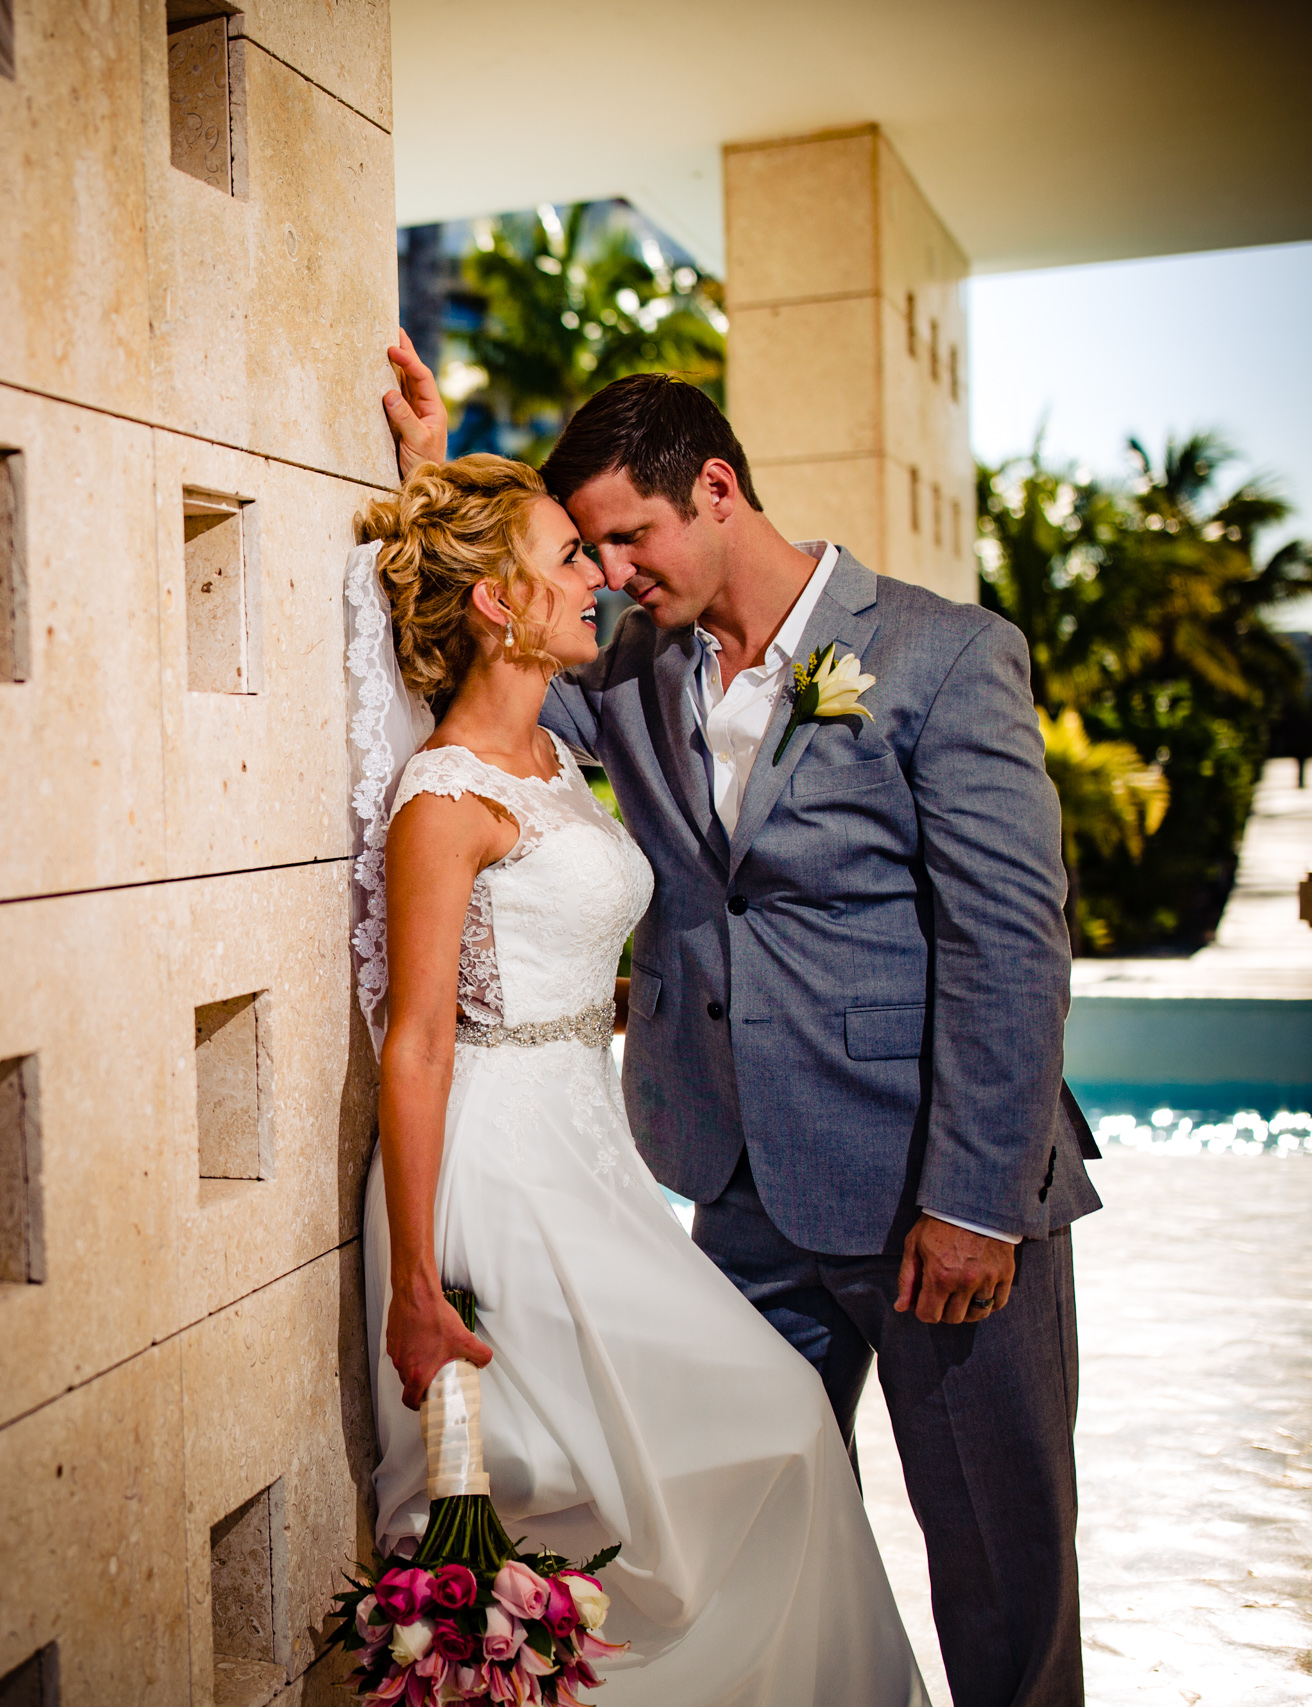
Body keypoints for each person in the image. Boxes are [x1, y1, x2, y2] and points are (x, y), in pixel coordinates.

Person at [380, 342, 1099, 1707]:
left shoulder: (943, 656)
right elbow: (492, 650)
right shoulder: (635, 668)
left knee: (1003, 1574)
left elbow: (1013, 943)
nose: (612, 569)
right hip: (739, 1202)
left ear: (717, 486)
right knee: (733, 1541)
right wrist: (431, 471)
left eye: (629, 535)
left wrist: (978, 1199)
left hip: (939, 1210)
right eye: (588, 546)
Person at [346, 454, 925, 1701]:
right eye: (565, 559)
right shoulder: (440, 802)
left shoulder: (555, 759)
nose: (595, 578)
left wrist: (432, 462)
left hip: (589, 1154)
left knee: (754, 1447)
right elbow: (421, 1040)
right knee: (699, 1454)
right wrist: (411, 1281)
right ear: (497, 602)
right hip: (500, 1180)